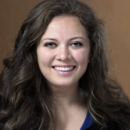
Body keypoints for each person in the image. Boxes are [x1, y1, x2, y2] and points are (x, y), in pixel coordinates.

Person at [0, 0, 130, 130]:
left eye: (76, 44)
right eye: (50, 44)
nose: (63, 56)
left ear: (92, 52)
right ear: (34, 52)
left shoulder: (119, 119)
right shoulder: (5, 113)